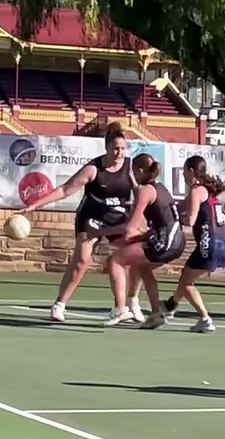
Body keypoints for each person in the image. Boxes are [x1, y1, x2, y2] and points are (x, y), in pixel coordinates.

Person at [20, 122, 138, 323]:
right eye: (115, 149)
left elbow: (141, 193)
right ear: (107, 148)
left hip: (116, 217)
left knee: (133, 256)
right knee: (82, 260)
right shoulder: (94, 169)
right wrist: (34, 205)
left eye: (123, 149)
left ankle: (128, 305)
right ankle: (59, 304)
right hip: (91, 217)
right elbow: (65, 190)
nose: (119, 153)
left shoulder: (130, 168)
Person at [99, 154, 186, 326]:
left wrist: (102, 232)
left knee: (116, 260)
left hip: (164, 241)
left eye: (133, 172)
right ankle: (156, 314)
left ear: (139, 171)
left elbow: (130, 228)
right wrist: (139, 236)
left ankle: (121, 309)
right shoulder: (160, 187)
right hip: (178, 241)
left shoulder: (146, 191)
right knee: (142, 266)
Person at [154, 156, 225, 332]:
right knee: (185, 277)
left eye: (184, 172)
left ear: (191, 171)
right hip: (223, 241)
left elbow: (190, 219)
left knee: (186, 281)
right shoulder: (208, 190)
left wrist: (171, 222)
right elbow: (178, 207)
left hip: (209, 243)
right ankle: (171, 305)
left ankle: (205, 318)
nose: (183, 176)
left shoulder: (197, 191)